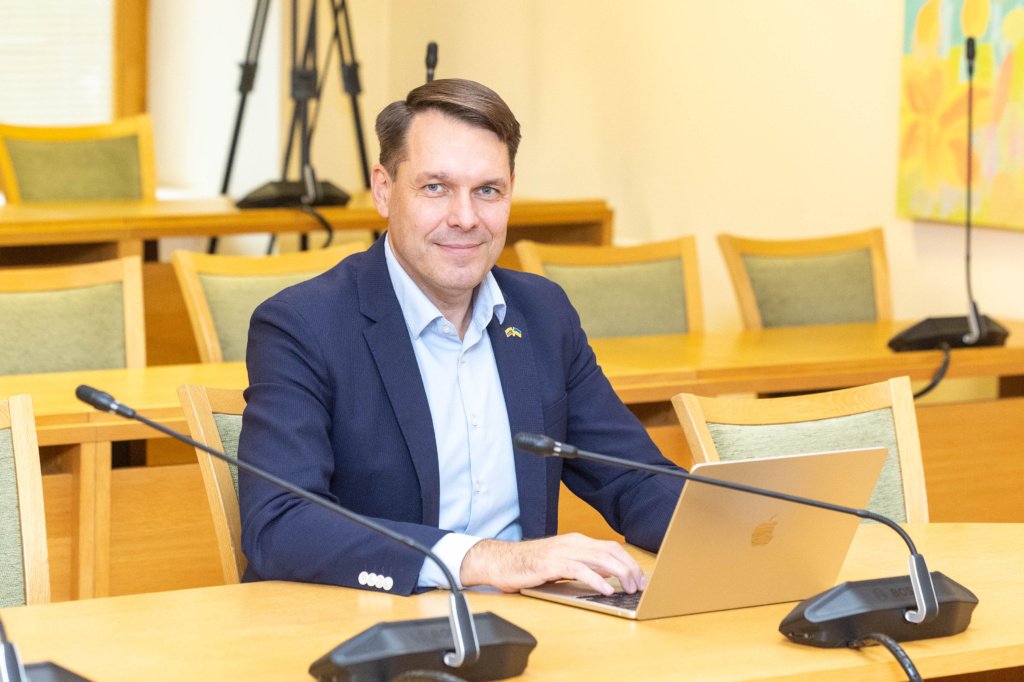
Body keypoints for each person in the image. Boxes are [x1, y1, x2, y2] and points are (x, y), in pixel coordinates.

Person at [238, 78, 684, 598]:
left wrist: (742, 527)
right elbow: (281, 523)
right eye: (436, 187)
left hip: (531, 624)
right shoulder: (302, 324)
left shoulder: (542, 313)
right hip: (374, 623)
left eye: (487, 191)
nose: (466, 218)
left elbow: (633, 478)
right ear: (384, 190)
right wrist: (482, 558)